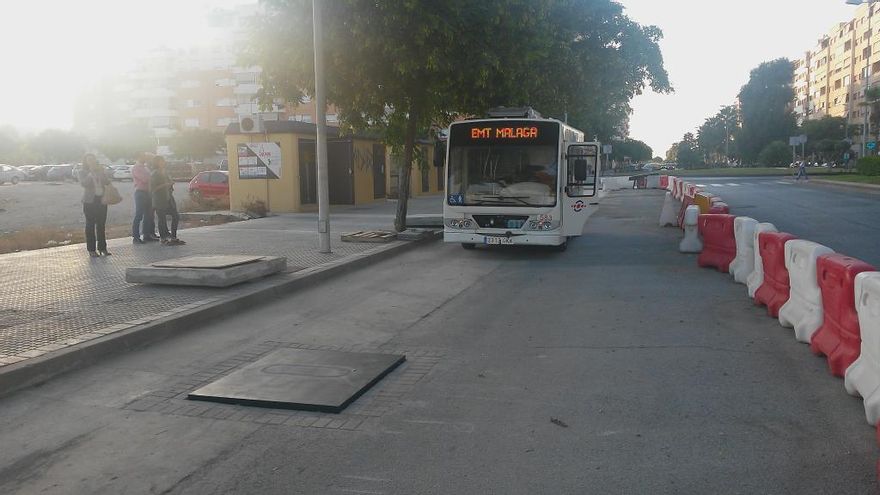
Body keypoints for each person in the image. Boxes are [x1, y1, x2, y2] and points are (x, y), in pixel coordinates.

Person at [78, 153, 112, 257]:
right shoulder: (82, 172)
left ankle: (102, 248)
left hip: (101, 199)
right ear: (85, 162)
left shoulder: (100, 170)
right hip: (89, 201)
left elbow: (107, 182)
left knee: (101, 225)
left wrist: (101, 172)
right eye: (89, 160)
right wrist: (90, 173)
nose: (91, 162)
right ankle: (91, 249)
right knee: (90, 225)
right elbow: (84, 184)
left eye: (93, 159)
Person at [149, 156, 185, 245]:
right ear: (157, 162)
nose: (163, 162)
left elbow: (169, 182)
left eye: (163, 161)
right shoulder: (154, 174)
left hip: (168, 198)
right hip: (159, 199)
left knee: (175, 216)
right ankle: (163, 238)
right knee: (162, 219)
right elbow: (153, 189)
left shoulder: (165, 172)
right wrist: (165, 184)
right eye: (161, 161)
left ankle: (173, 237)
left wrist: (170, 184)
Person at [131, 152, 158, 243]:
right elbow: (145, 179)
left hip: (148, 192)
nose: (145, 158)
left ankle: (147, 235)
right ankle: (136, 237)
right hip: (140, 193)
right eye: (143, 157)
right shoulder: (136, 168)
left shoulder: (146, 167)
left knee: (149, 215)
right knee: (139, 215)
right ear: (138, 157)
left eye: (145, 157)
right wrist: (151, 177)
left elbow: (151, 179)